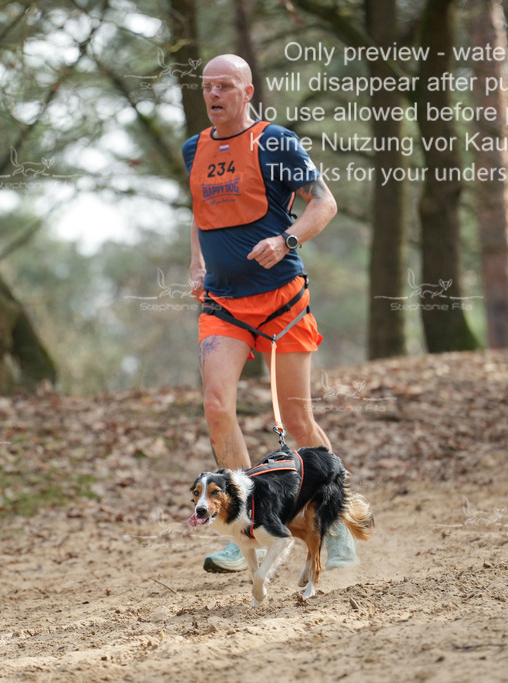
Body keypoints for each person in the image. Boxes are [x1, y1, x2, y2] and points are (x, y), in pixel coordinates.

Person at [182, 54, 358, 573]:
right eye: (207, 87)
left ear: (248, 91)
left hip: (281, 301)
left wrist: (285, 241)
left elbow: (324, 204)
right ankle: (246, 529)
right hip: (223, 306)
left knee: (298, 419)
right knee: (218, 405)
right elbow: (200, 210)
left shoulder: (275, 142)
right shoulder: (194, 148)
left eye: (225, 86)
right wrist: (195, 263)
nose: (214, 95)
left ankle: (333, 518)